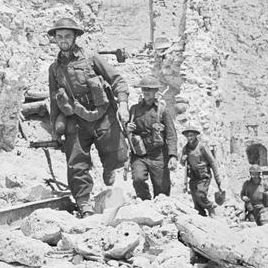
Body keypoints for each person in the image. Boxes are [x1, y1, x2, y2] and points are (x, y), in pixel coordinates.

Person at [48, 17, 129, 217]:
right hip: (75, 119)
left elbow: (116, 79)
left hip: (102, 115)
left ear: (75, 37)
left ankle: (111, 176)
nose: (63, 40)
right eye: (59, 36)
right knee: (76, 163)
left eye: (67, 36)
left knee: (116, 155)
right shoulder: (54, 68)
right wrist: (55, 129)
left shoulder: (91, 58)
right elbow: (54, 99)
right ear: (55, 40)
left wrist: (124, 104)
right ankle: (84, 203)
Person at [126, 75, 178, 199]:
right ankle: (145, 204)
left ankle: (160, 211)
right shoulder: (134, 109)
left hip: (158, 155)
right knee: (138, 179)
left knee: (162, 190)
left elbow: (171, 134)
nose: (146, 93)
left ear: (155, 91)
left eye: (150, 90)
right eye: (144, 90)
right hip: (140, 154)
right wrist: (128, 129)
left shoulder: (162, 110)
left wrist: (173, 156)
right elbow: (126, 133)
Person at [180, 127, 222, 216]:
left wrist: (217, 178)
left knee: (200, 195)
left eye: (191, 135)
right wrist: (183, 160)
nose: (189, 138)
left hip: (204, 176)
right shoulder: (185, 148)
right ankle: (202, 216)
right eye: (187, 136)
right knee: (196, 201)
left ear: (195, 136)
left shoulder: (202, 146)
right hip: (193, 177)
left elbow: (212, 161)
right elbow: (182, 163)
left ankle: (210, 207)